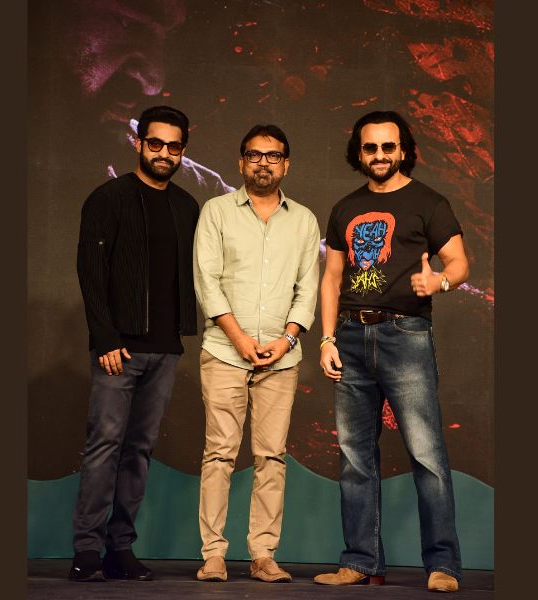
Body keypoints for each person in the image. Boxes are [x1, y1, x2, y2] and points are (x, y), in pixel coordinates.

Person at [314, 110, 469, 593]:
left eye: (388, 146)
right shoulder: (345, 208)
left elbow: (459, 262)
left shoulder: (429, 202)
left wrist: (440, 282)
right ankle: (361, 562)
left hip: (406, 335)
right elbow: (331, 278)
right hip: (349, 337)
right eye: (370, 147)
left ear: (403, 150)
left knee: (426, 454)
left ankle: (443, 565)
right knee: (354, 457)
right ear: (358, 152)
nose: (379, 155)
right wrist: (326, 339)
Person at [69, 105, 200, 582]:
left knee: (139, 450)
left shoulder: (187, 206)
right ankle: (87, 550)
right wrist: (105, 336)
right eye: (156, 143)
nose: (164, 153)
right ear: (140, 143)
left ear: (183, 151)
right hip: (118, 348)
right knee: (104, 445)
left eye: (174, 146)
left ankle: (120, 549)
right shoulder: (108, 198)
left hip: (165, 348)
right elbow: (90, 271)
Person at [192, 124, 320, 583]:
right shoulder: (216, 212)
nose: (264, 163)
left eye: (273, 155)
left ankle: (263, 555)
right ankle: (213, 555)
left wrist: (287, 340)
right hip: (225, 352)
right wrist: (240, 339)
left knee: (271, 456)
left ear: (286, 164)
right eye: (255, 154)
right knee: (219, 454)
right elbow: (206, 281)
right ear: (241, 162)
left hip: (281, 359)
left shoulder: (303, 220)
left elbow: (307, 287)